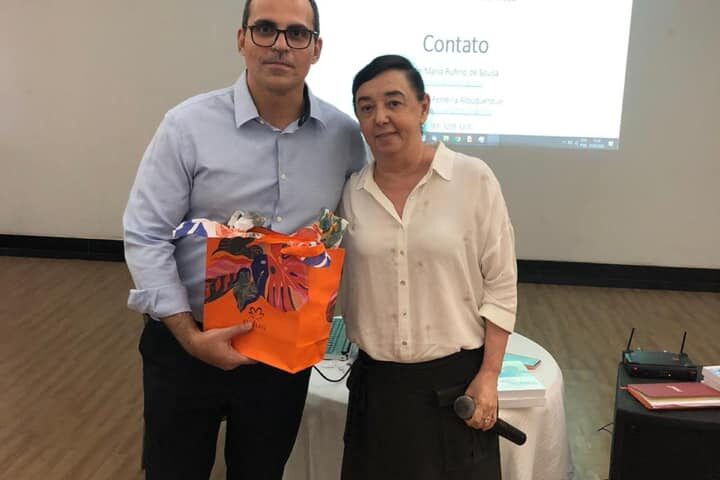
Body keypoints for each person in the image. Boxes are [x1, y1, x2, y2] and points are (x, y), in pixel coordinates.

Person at [122, 0, 366, 478]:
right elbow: (146, 233)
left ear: (316, 49)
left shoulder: (344, 137)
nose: (280, 45)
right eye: (265, 29)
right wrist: (190, 337)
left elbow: (351, 228)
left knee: (262, 471)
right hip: (185, 344)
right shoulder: (186, 126)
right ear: (241, 40)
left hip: (282, 353)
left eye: (297, 34)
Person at [339, 55, 517, 480]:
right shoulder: (351, 193)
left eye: (394, 102)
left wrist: (489, 374)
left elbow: (501, 283)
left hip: (455, 383)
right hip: (377, 388)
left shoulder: (472, 179)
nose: (380, 118)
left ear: (423, 107)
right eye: (366, 107)